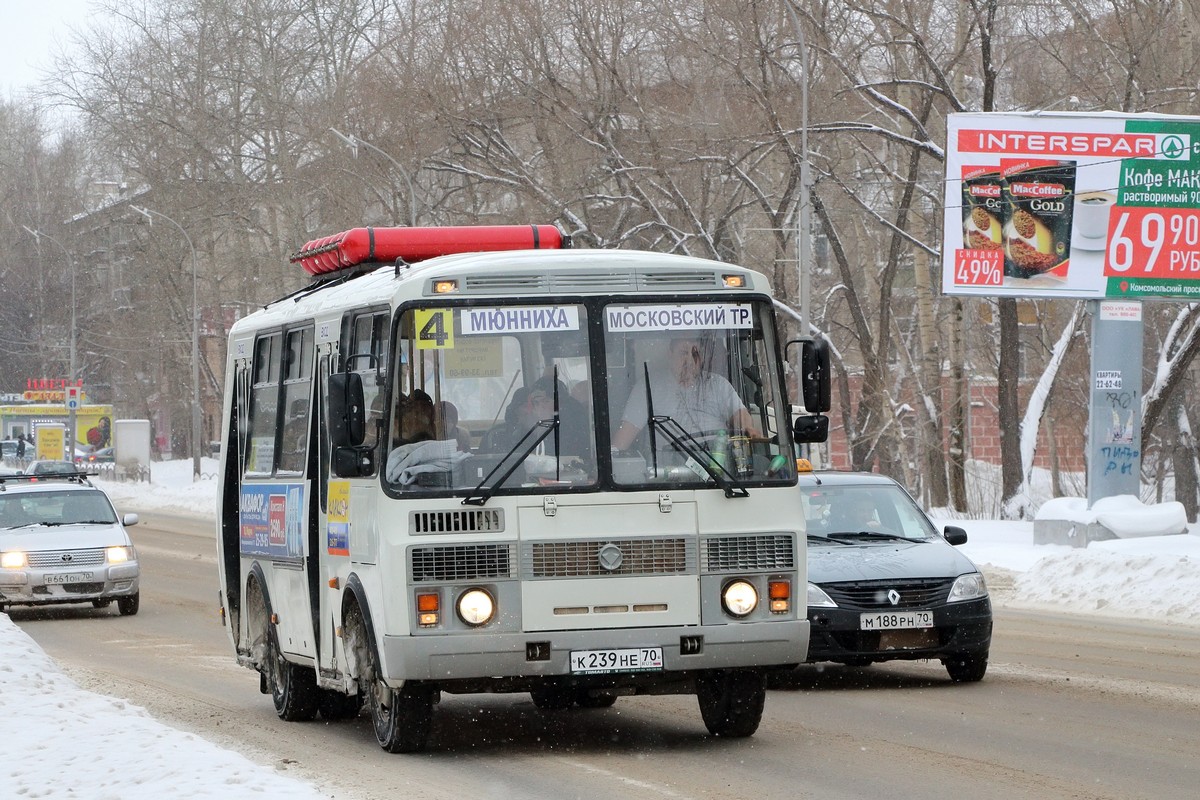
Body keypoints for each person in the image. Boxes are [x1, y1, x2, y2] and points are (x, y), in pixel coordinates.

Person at [612, 336, 758, 451]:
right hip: (668, 471)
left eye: (695, 353)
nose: (689, 360)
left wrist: (748, 428)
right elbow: (625, 436)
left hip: (719, 468)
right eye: (683, 353)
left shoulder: (718, 384)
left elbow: (740, 415)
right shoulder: (649, 387)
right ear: (670, 354)